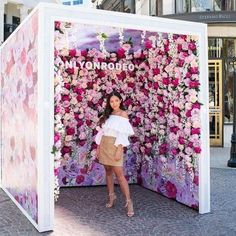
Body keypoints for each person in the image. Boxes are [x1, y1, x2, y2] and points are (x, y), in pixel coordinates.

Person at [95, 91, 135, 217]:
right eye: (111, 101)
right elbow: (102, 132)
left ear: (120, 101)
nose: (114, 103)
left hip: (115, 145)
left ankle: (129, 202)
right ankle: (111, 197)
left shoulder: (123, 114)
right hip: (104, 145)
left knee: (119, 175)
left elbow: (123, 133)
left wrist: (119, 148)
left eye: (116, 100)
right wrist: (98, 147)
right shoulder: (107, 115)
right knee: (108, 172)